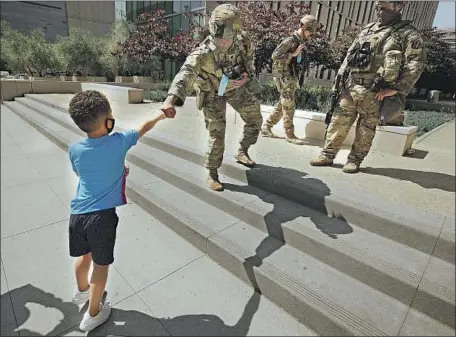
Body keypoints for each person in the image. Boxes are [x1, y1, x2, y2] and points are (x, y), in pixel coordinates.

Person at [67, 90, 166, 331]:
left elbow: (82, 175)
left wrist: (116, 172)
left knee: (84, 256)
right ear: (107, 122)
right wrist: (162, 114)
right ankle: (93, 312)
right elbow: (143, 128)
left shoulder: (75, 149)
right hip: (101, 218)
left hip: (77, 214)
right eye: (111, 115)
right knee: (101, 266)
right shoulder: (118, 142)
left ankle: (81, 292)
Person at [310, 0, 425, 173]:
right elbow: (350, 55)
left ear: (399, 6)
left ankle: (355, 160)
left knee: (366, 128)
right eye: (378, 5)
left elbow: (416, 63)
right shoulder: (368, 29)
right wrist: (340, 80)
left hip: (376, 90)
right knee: (338, 121)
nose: (380, 9)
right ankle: (328, 154)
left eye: (385, 5)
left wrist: (397, 88)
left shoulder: (408, 34)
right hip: (351, 86)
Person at [160, 4, 263, 192]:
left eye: (227, 38)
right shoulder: (203, 53)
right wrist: (170, 99)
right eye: (218, 37)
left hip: (234, 87)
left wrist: (247, 77)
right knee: (217, 133)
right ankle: (212, 171)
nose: (222, 42)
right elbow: (186, 72)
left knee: (255, 118)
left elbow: (250, 61)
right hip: (212, 93)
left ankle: (242, 150)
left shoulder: (244, 41)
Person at [261, 15, 319, 145]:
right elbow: (275, 56)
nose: (311, 35)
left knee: (283, 103)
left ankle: (267, 126)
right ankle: (289, 133)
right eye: (310, 31)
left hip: (290, 75)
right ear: (304, 27)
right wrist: (292, 54)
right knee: (289, 104)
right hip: (283, 76)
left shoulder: (299, 41)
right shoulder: (290, 40)